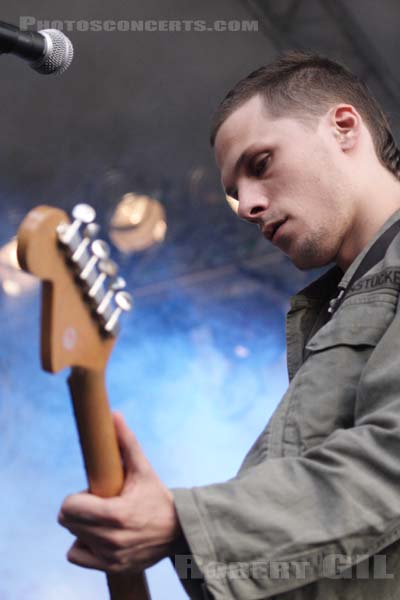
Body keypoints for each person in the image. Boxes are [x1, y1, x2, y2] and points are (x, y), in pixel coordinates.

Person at [58, 51, 400, 599]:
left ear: (343, 127)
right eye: (235, 192)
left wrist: (181, 522)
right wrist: (170, 530)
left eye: (260, 164)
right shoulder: (333, 305)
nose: (246, 206)